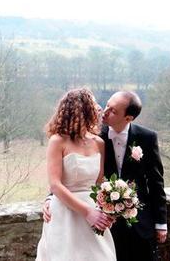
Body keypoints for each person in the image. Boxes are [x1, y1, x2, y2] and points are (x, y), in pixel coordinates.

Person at [43, 91, 167, 261]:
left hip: (116, 217)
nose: (104, 110)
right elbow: (57, 182)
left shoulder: (101, 142)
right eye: (104, 105)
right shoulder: (61, 140)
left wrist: (160, 222)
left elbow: (155, 181)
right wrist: (50, 199)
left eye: (113, 110)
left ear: (128, 118)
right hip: (70, 216)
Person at [36, 88, 117, 261]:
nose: (99, 108)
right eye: (94, 104)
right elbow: (55, 185)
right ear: (83, 109)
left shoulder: (99, 143)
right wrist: (88, 212)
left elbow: (99, 183)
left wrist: (110, 209)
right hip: (65, 215)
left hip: (94, 212)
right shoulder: (57, 141)